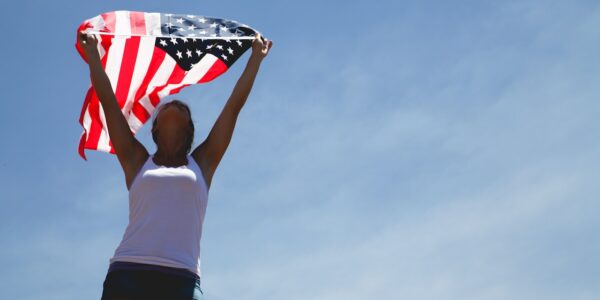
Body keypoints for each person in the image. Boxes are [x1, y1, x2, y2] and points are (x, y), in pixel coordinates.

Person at [77, 28, 273, 300]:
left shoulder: (202, 163)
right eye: (165, 109)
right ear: (154, 129)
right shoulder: (137, 161)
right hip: (129, 273)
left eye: (184, 108)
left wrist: (255, 59)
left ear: (190, 129)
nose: (175, 104)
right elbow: (110, 105)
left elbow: (233, 107)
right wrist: (93, 56)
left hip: (182, 278)